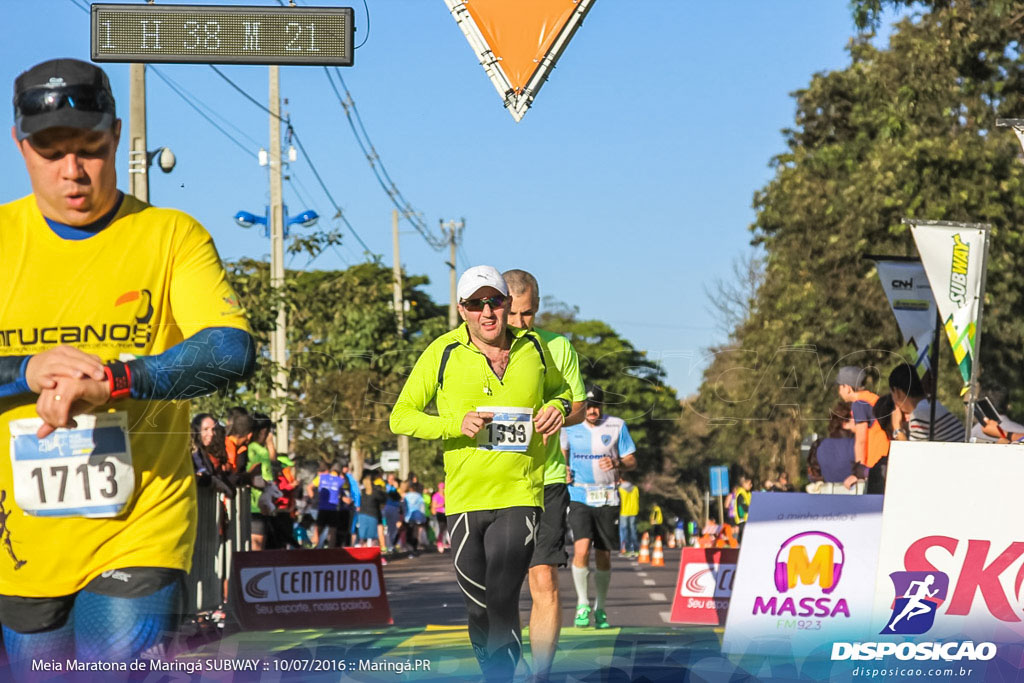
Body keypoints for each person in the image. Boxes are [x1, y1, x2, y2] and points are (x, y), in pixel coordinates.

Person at [0, 58, 254, 671]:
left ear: (115, 135)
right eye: (50, 151)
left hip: (141, 523)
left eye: (89, 148)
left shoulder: (170, 236)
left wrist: (115, 379)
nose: (73, 171)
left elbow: (230, 347)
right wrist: (25, 371)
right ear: (19, 145)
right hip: (22, 539)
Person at [390, 265, 571, 682]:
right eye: (476, 304)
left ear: (507, 305)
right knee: (478, 606)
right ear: (462, 310)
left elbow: (565, 394)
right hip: (466, 499)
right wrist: (455, 424)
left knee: (503, 595)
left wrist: (557, 408)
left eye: (494, 301)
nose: (486, 312)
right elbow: (401, 417)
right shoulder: (443, 352)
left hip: (519, 494)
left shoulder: (535, 350)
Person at [503, 268, 587, 680]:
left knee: (543, 582)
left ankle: (541, 675)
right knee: (498, 593)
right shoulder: (474, 350)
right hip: (493, 484)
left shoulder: (557, 347)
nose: (521, 323)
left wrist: (559, 410)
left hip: (546, 479)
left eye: (529, 314)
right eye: (514, 314)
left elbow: (579, 405)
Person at [562, 384, 637, 630]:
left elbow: (631, 460)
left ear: (602, 406)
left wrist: (616, 462)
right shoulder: (570, 426)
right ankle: (582, 604)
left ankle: (600, 608)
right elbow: (562, 452)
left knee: (603, 555)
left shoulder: (616, 426)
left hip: (607, 497)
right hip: (579, 495)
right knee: (581, 549)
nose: (592, 411)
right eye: (587, 406)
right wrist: (564, 468)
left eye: (596, 406)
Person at [836, 366, 889, 492]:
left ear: (847, 388)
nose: (839, 391)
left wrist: (858, 472)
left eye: (839, 387)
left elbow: (861, 440)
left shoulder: (859, 404)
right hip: (885, 460)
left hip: (875, 465)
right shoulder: (872, 399)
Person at [887, 363, 965, 443]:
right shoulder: (931, 404)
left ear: (897, 392)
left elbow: (911, 454)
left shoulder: (919, 414)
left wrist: (897, 429)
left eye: (892, 394)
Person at [806, 402, 860, 494]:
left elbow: (812, 476)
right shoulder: (856, 445)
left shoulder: (818, 446)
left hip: (826, 501)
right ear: (845, 423)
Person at [618, 479, 640, 558]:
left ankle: (626, 549)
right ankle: (636, 549)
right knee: (633, 530)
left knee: (624, 531)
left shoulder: (620, 489)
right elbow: (637, 498)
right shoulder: (635, 488)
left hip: (623, 512)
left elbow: (618, 500)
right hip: (633, 511)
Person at [431, 482, 448, 553]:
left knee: (445, 529)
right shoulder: (436, 496)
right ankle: (439, 543)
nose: (443, 490)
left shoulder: (446, 495)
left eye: (444, 488)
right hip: (439, 514)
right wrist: (442, 504)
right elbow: (434, 506)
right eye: (442, 488)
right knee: (440, 529)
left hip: (445, 513)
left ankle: (443, 543)